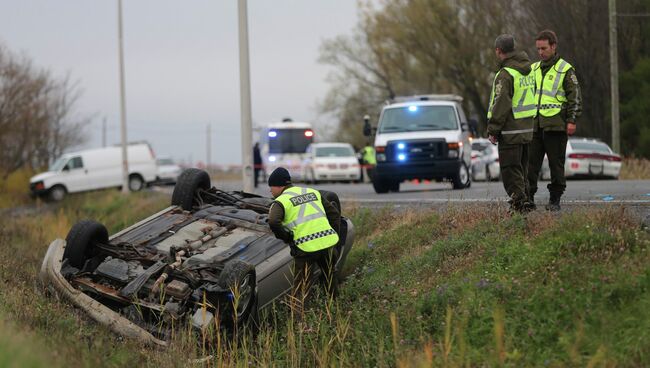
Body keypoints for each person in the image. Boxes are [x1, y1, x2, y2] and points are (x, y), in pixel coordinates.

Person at [266, 167, 341, 313]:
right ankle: (334, 311)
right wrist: (333, 235)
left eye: (271, 187)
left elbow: (273, 221)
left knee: (301, 286)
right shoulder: (312, 192)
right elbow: (334, 213)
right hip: (327, 244)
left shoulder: (281, 201)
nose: (270, 191)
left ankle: (299, 321)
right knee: (330, 279)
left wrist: (287, 237)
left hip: (305, 248)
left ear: (278, 186)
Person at [527, 30, 582, 211]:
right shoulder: (533, 69)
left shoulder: (565, 69)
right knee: (530, 165)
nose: (540, 52)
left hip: (556, 126)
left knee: (556, 165)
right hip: (535, 125)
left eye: (544, 48)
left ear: (553, 46)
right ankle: (528, 199)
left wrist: (571, 120)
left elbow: (574, 97)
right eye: (538, 49)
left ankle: (554, 200)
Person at [487, 34, 536, 213]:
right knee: (522, 168)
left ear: (498, 51)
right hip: (527, 129)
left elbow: (501, 103)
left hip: (510, 130)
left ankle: (519, 204)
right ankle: (527, 199)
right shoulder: (528, 70)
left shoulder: (505, 74)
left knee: (510, 169)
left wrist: (493, 128)